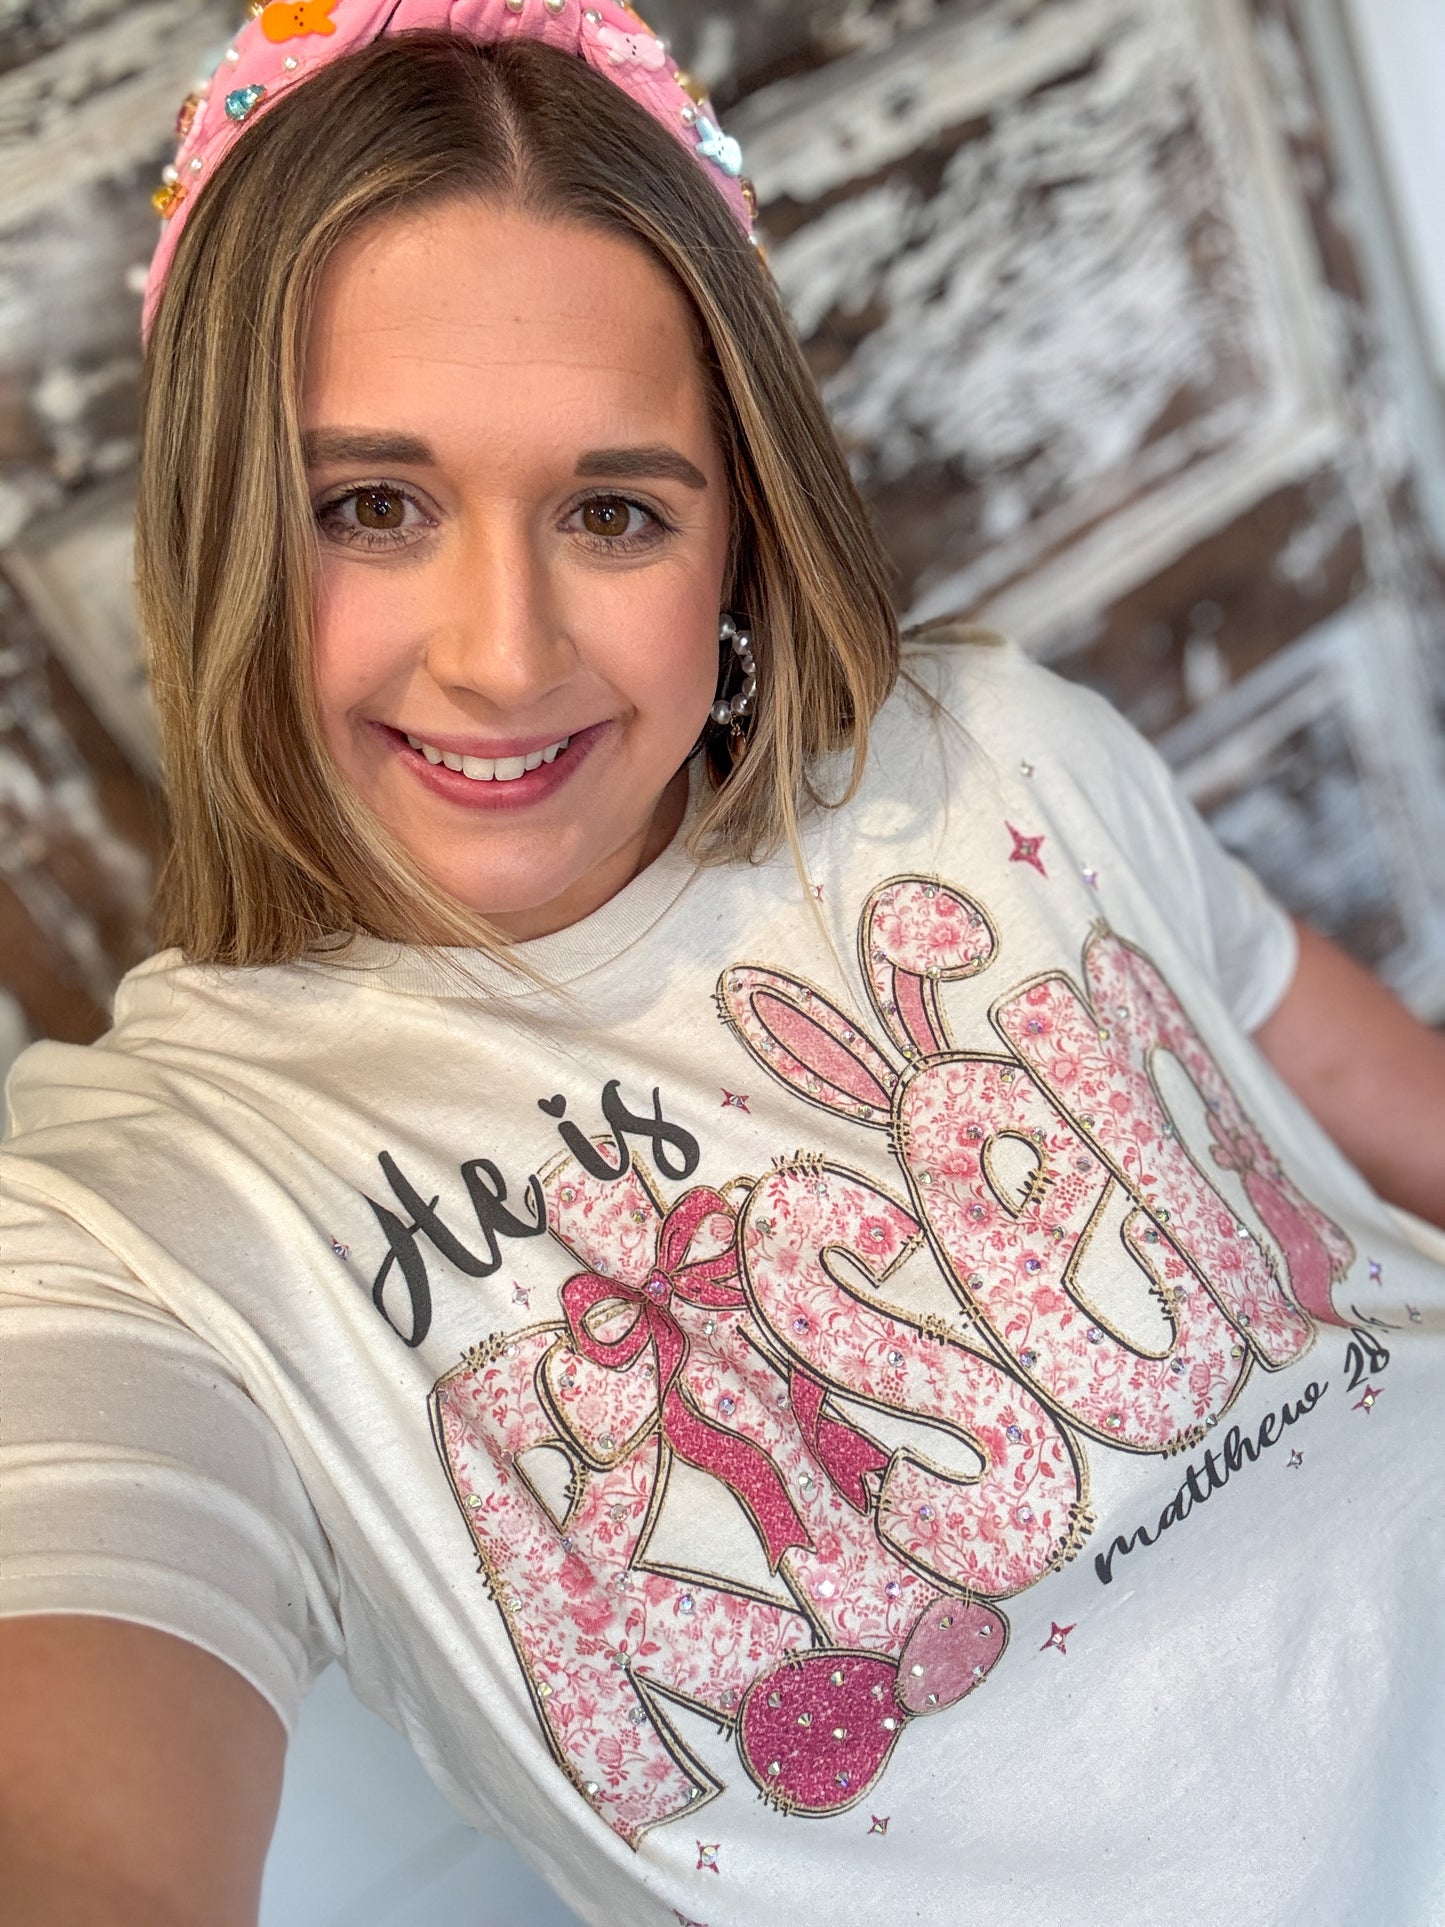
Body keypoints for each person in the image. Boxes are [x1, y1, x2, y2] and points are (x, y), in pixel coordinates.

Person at [1, 3, 1442, 1922]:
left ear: (736, 533)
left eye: (611, 510)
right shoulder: (147, 1219)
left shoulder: (993, 757)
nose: (501, 659)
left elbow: (1400, 1136)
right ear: (222, 529)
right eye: (372, 507)